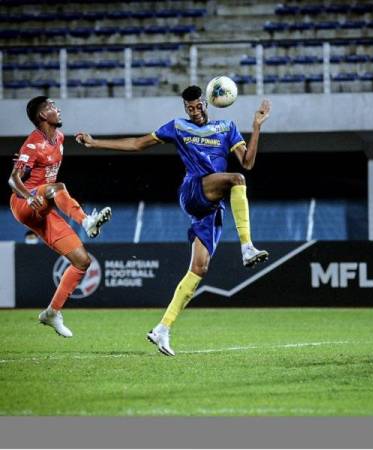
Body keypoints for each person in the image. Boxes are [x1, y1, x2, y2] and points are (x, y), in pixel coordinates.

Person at [75, 85, 271, 356]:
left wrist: (257, 126)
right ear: (185, 109)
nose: (195, 111)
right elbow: (137, 144)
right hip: (193, 190)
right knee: (237, 179)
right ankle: (247, 247)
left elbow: (247, 162)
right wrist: (95, 143)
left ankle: (162, 329)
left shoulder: (227, 127)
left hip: (211, 206)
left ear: (207, 103)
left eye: (198, 105)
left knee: (199, 269)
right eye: (189, 108)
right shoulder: (178, 127)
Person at [8, 96, 112, 337]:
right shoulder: (32, 144)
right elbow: (13, 179)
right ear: (43, 115)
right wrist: (28, 195)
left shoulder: (60, 138)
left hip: (44, 207)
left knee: (82, 261)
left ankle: (52, 313)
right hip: (25, 203)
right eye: (51, 107)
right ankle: (86, 221)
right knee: (57, 187)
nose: (57, 109)